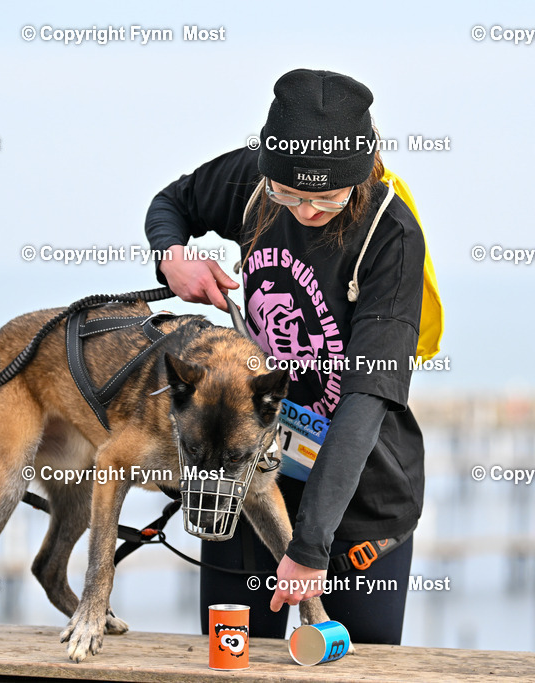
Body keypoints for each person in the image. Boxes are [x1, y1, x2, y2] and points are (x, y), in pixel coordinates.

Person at [144, 68, 426, 645]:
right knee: (230, 663)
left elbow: (365, 401)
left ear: (363, 174)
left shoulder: (391, 237)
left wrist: (309, 546)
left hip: (356, 503)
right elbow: (174, 201)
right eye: (289, 194)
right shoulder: (256, 180)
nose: (305, 211)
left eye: (326, 198)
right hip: (249, 480)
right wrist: (172, 258)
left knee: (358, 672)